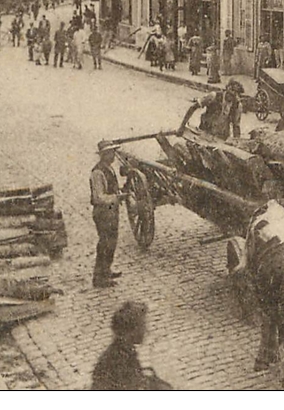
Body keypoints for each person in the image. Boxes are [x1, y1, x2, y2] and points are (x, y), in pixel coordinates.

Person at [91, 302, 174, 390]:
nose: (146, 330)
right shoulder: (119, 360)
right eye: (142, 326)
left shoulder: (122, 350)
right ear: (131, 331)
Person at [91, 142, 125, 288]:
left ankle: (106, 270)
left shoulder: (109, 168)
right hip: (103, 212)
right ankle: (99, 278)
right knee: (105, 243)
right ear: (104, 155)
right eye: (111, 153)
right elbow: (99, 197)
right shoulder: (97, 173)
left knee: (111, 243)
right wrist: (116, 198)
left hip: (112, 211)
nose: (113, 156)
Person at [178, 79, 245, 140]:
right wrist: (182, 126)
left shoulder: (237, 106)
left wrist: (236, 142)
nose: (231, 96)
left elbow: (236, 127)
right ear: (227, 88)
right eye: (230, 92)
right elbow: (193, 108)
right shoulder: (214, 96)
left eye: (234, 95)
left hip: (221, 137)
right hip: (205, 133)